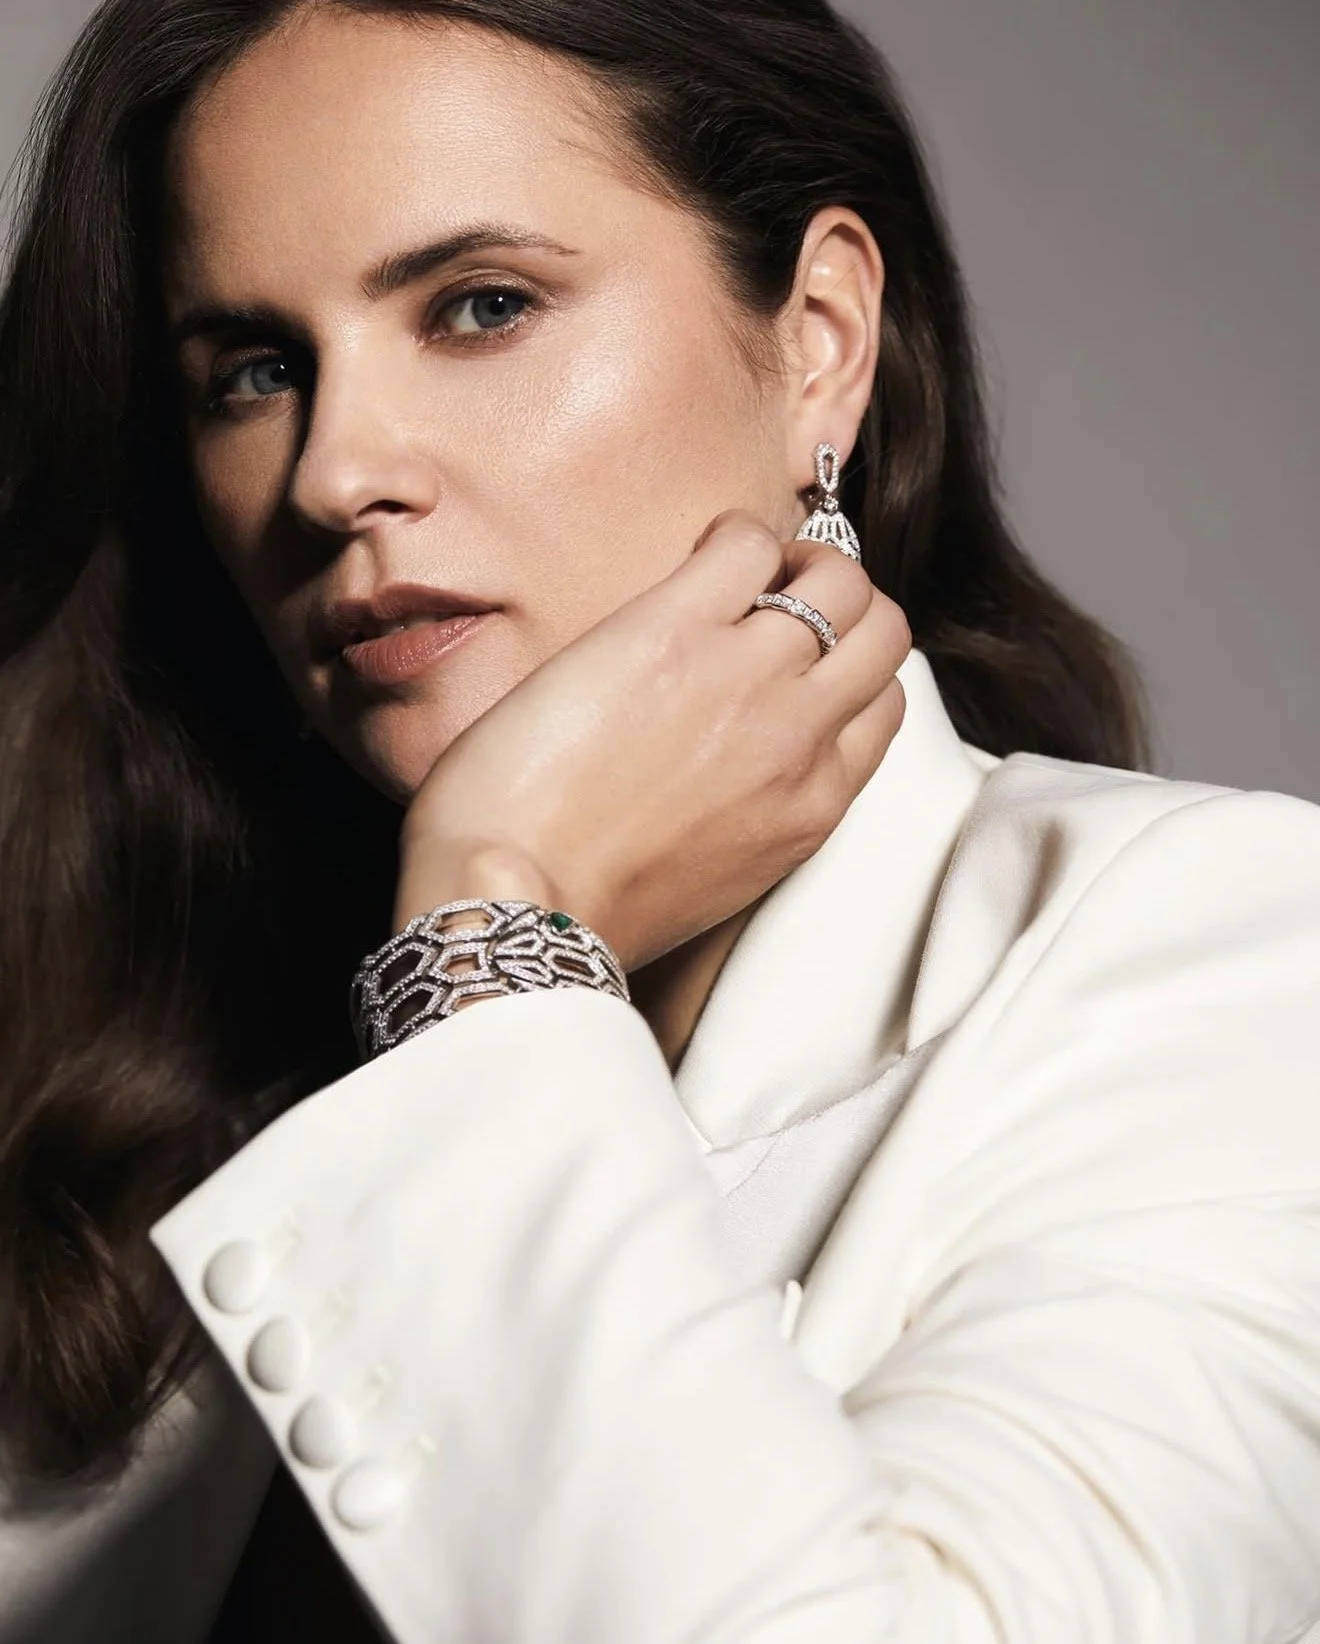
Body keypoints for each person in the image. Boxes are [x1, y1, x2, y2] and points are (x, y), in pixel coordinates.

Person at [1, 0, 1318, 1639]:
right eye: (256, 371)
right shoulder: (129, 1086)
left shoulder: (1236, 963)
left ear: (820, 339)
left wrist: (491, 924)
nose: (335, 471)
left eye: (480, 307)